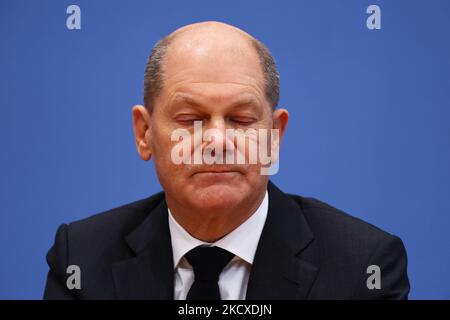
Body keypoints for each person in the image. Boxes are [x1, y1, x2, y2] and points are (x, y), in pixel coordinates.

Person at [44, 21, 409, 300]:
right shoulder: (81, 260)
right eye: (189, 119)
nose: (217, 140)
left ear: (275, 135)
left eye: (242, 120)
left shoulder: (364, 266)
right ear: (144, 132)